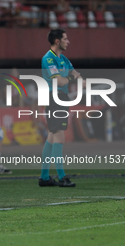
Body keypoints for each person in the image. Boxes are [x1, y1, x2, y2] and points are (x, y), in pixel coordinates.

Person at [39, 28, 86, 187]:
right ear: (57, 41)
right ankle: (62, 177)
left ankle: (44, 177)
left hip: (61, 97)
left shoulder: (64, 59)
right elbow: (60, 81)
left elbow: (75, 75)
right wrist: (73, 78)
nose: (68, 41)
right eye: (65, 39)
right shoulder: (48, 59)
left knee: (52, 137)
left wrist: (76, 79)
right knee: (59, 136)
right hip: (55, 97)